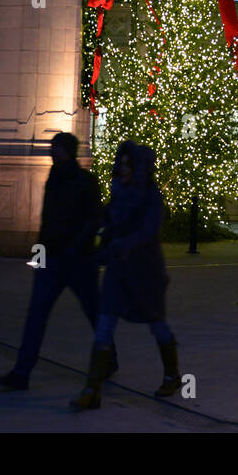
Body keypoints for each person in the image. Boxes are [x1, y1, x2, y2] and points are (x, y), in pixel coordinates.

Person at [0, 132, 115, 390]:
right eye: (52, 146)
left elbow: (93, 218)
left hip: (78, 260)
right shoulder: (54, 176)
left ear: (69, 151)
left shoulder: (84, 180)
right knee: (36, 315)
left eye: (57, 147)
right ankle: (21, 372)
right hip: (51, 257)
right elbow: (49, 218)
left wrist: (76, 247)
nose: (52, 150)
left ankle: (110, 359)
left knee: (93, 312)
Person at [72, 141, 177, 410]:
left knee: (157, 323)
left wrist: (122, 244)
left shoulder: (151, 195)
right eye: (122, 164)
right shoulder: (118, 192)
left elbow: (149, 230)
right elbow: (107, 222)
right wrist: (96, 241)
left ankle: (172, 374)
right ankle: (92, 389)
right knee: (105, 323)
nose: (123, 169)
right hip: (118, 270)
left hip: (145, 272)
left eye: (129, 165)